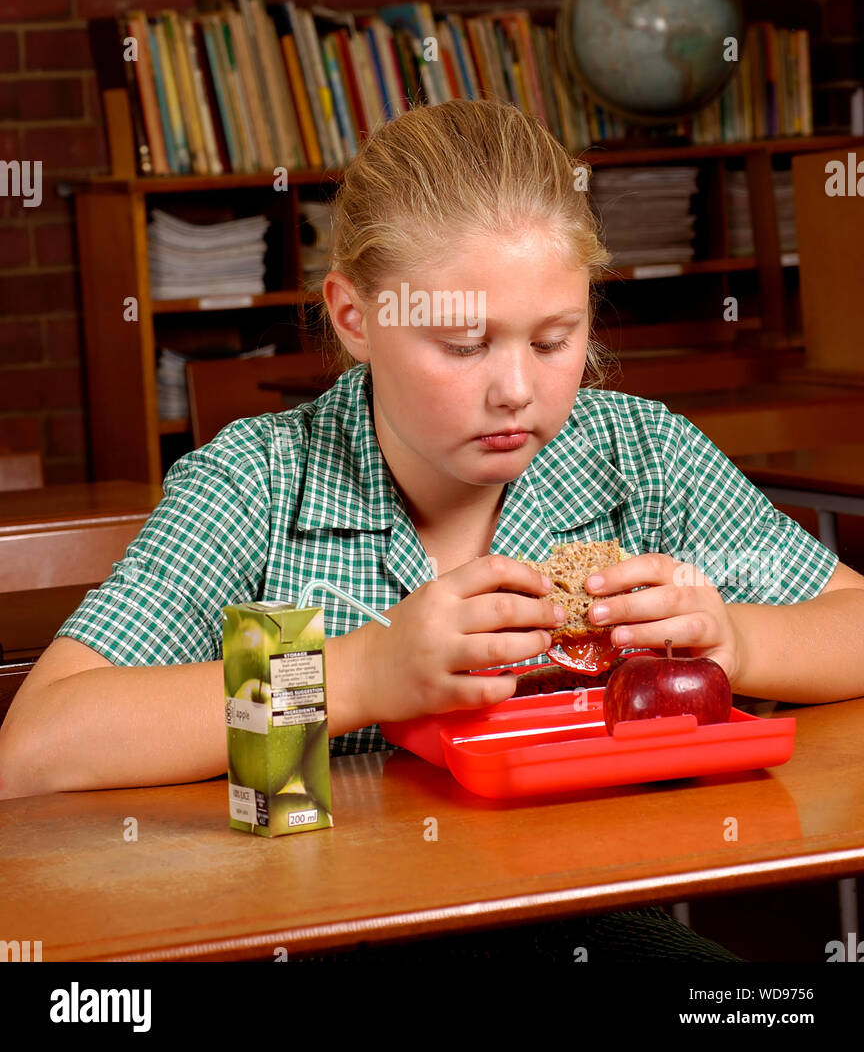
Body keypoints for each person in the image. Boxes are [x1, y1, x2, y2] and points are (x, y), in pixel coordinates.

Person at [3, 99, 863, 964]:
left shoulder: (638, 454)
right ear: (355, 318)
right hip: (307, 934)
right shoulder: (258, 480)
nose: (516, 390)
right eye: (463, 345)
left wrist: (738, 641)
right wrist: (363, 673)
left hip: (574, 922)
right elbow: (35, 749)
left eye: (556, 339)